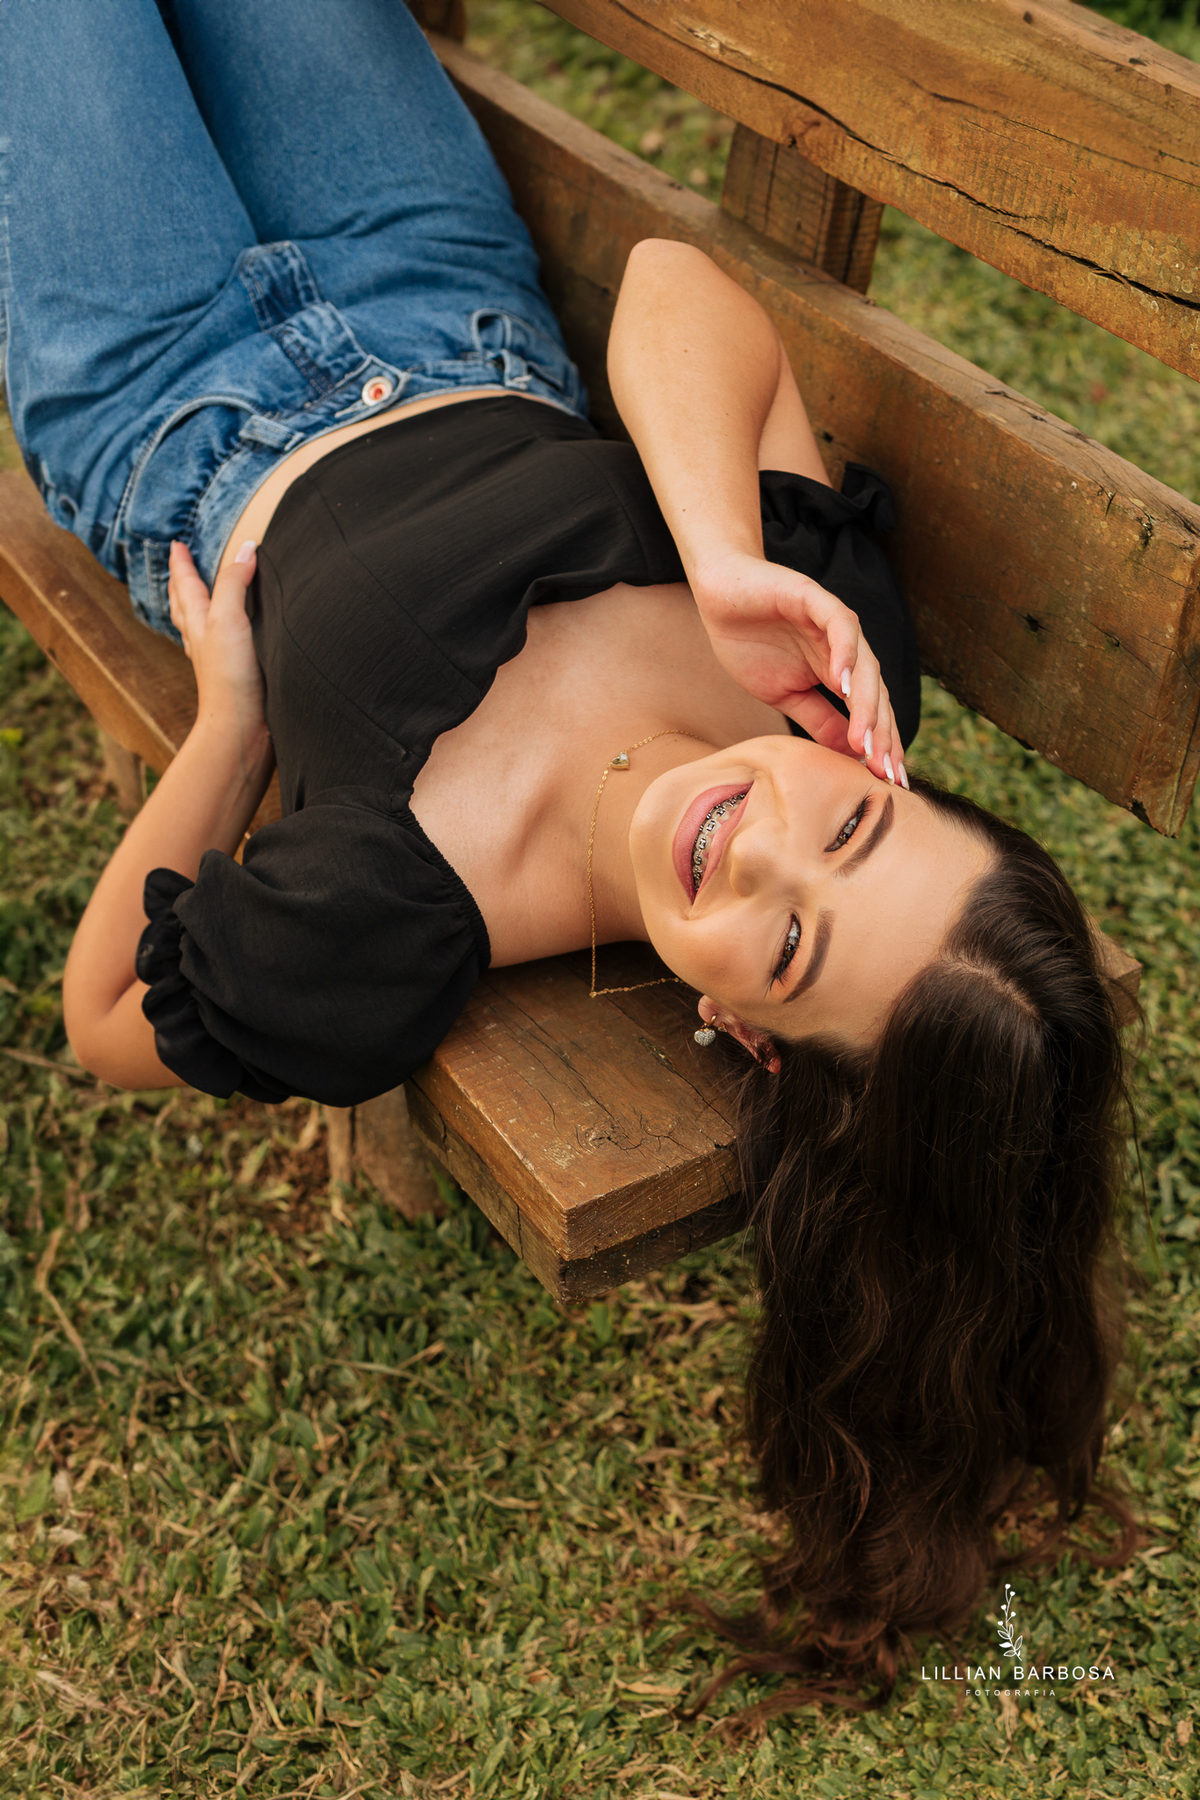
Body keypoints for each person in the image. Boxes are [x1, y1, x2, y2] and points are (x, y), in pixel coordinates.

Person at [3, 0, 1132, 1713]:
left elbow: (100, 1015)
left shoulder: (396, 926)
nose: (760, 842)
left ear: (751, 1038)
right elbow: (682, 295)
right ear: (889, 778)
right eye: (850, 829)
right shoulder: (824, 670)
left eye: (792, 943)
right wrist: (718, 549)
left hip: (169, 393)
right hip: (430, 271)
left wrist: (229, 721)